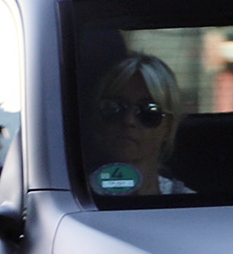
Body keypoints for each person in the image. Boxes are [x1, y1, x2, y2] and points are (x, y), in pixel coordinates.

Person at [82, 53, 195, 196]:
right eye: (114, 108)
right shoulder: (70, 198)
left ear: (169, 126)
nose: (129, 121)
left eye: (148, 111)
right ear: (98, 119)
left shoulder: (189, 206)